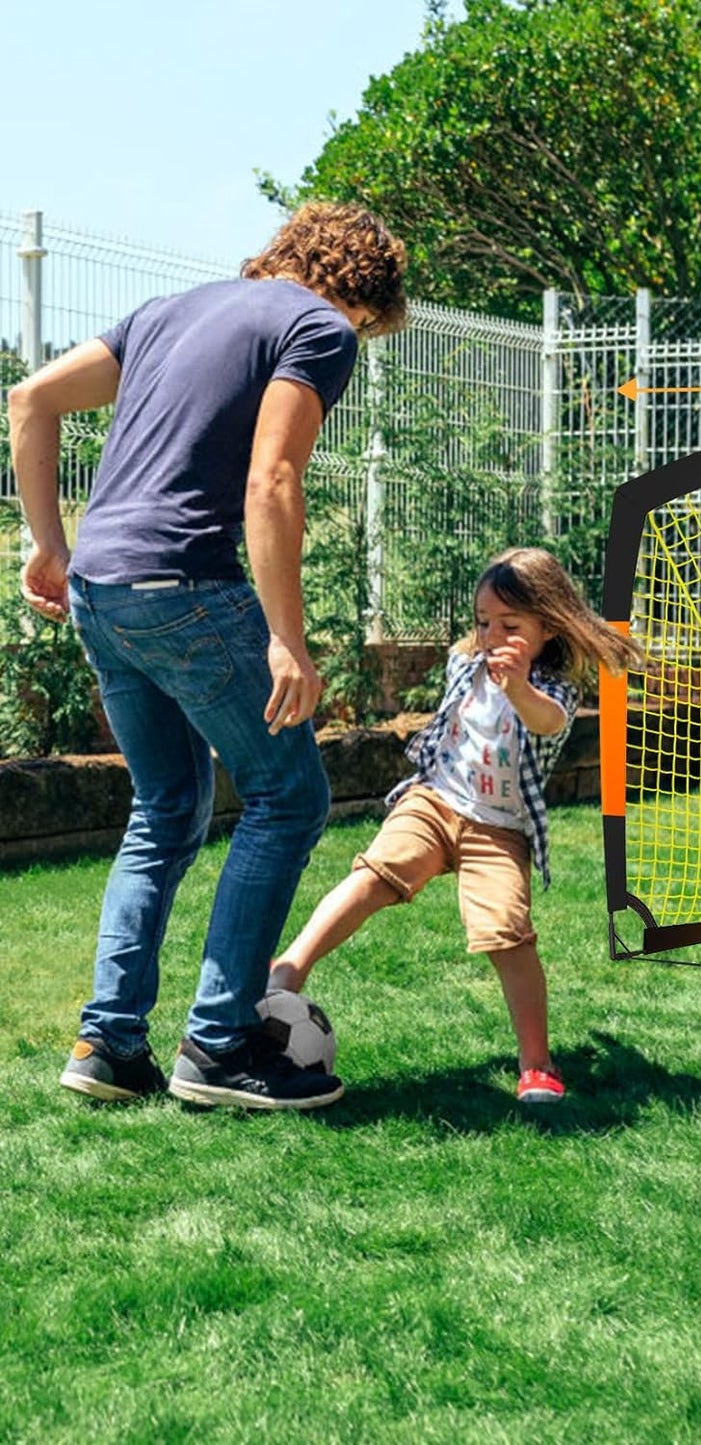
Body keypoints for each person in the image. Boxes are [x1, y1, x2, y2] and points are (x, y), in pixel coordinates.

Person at [8, 202, 408, 1110]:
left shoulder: (168, 310)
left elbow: (28, 399)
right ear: (365, 297)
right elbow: (273, 478)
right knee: (289, 794)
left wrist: (47, 546)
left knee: (169, 805)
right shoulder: (317, 326)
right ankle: (220, 1044)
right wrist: (285, 637)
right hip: (186, 585)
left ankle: (109, 1043)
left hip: (104, 591)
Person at [269, 547, 641, 1102]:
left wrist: (517, 685)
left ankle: (537, 1063)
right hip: (434, 803)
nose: (492, 635)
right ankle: (287, 971)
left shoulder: (553, 688)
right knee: (375, 874)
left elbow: (546, 722)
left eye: (510, 625)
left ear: (549, 627)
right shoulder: (465, 661)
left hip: (499, 831)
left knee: (506, 932)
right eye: (483, 621)